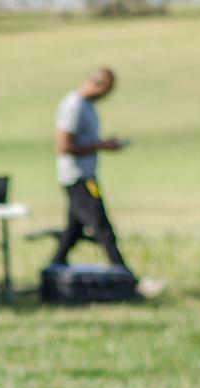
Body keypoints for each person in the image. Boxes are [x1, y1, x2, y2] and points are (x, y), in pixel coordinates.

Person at [50, 67, 164, 297]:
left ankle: (51, 276)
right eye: (106, 91)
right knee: (103, 229)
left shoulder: (87, 106)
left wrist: (102, 143)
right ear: (97, 84)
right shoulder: (74, 106)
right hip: (77, 178)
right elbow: (63, 146)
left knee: (72, 233)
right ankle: (129, 282)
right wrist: (102, 146)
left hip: (86, 176)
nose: (106, 97)